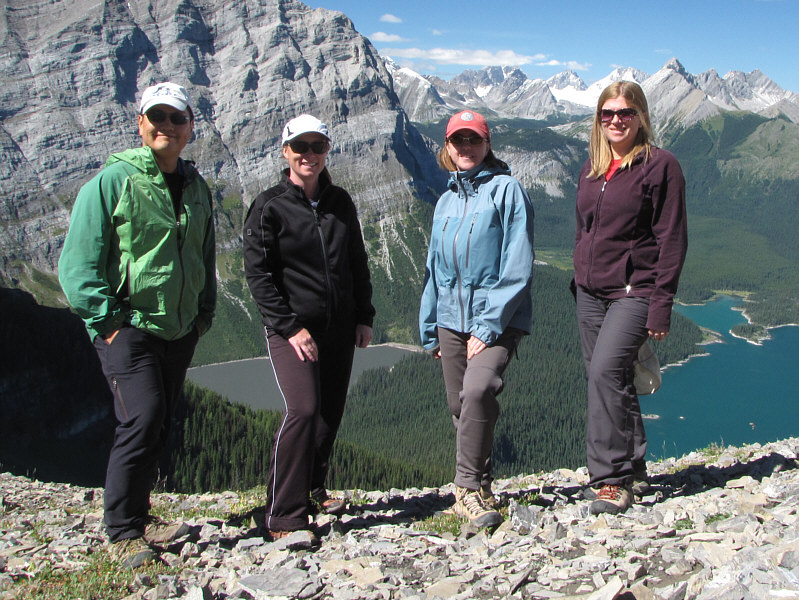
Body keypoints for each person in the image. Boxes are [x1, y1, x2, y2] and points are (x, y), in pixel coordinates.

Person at [58, 82, 216, 566]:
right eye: (157, 117)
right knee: (141, 418)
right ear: (141, 124)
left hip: (179, 328)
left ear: (190, 127)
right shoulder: (111, 182)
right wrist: (109, 323)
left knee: (160, 419)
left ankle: (141, 515)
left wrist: (203, 314)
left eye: (176, 118)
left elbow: (203, 255)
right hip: (129, 327)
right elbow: (76, 266)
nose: (166, 126)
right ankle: (123, 529)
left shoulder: (195, 186)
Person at [243, 114, 375, 540]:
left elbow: (356, 261)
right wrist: (289, 327)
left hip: (339, 328)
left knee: (328, 414)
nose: (309, 155)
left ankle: (312, 488)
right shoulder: (269, 206)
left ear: (326, 152)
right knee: (302, 409)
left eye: (318, 147)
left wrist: (364, 316)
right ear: (286, 152)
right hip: (293, 330)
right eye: (300, 147)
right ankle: (283, 514)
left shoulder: (340, 201)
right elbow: (258, 275)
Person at [573, 81, 687, 515]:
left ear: (641, 117)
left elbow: (672, 239)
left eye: (625, 113)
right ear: (599, 120)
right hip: (589, 292)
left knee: (605, 373)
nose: (616, 120)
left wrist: (661, 304)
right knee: (610, 379)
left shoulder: (661, 166)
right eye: (608, 113)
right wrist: (580, 268)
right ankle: (635, 467)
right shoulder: (592, 168)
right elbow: (584, 226)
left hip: (633, 291)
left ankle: (610, 479)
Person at [419, 110, 535, 528]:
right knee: (459, 403)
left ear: (487, 145)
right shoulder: (446, 200)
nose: (465, 148)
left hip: (499, 318)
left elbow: (518, 265)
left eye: (474, 140)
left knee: (480, 387)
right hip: (450, 317)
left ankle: (465, 490)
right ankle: (484, 482)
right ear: (447, 148)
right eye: (458, 140)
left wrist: (487, 327)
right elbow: (434, 268)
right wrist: (429, 326)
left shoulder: (507, 191)